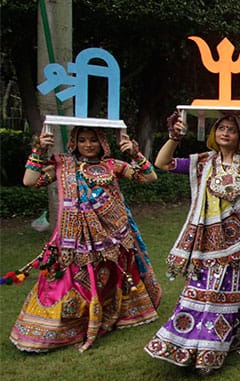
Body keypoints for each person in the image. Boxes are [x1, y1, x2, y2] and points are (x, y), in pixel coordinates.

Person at [144, 110, 240, 374]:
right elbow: (162, 163)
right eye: (221, 128)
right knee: (208, 293)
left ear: (239, 136)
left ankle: (227, 342)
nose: (225, 133)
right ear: (214, 133)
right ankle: (197, 344)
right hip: (209, 242)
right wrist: (174, 138)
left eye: (231, 129)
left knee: (236, 293)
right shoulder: (202, 163)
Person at [10, 126, 161, 352]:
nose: (88, 145)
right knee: (68, 279)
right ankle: (60, 328)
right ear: (75, 142)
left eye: (93, 140)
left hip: (112, 234)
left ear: (102, 143)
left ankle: (112, 314)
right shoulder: (63, 166)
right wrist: (39, 150)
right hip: (74, 237)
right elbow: (30, 181)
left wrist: (134, 154)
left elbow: (149, 177)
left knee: (107, 277)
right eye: (82, 140)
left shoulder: (112, 165)